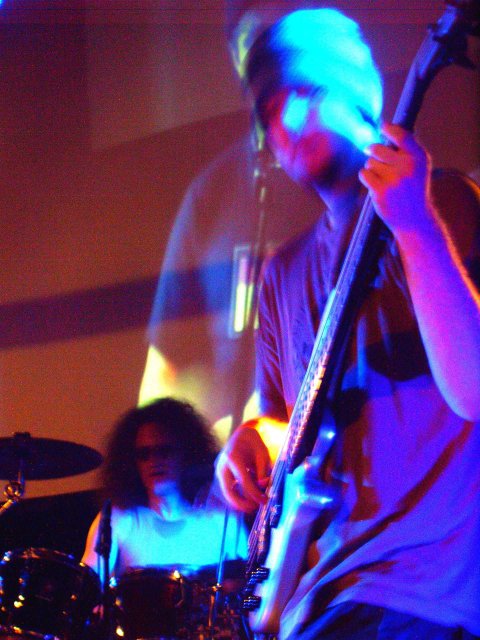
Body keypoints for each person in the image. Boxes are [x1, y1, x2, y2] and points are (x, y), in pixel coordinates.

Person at [215, 6, 480, 640]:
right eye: (270, 109)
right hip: (317, 594)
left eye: (306, 92)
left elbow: (474, 388)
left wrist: (413, 225)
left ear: (358, 92)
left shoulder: (445, 204)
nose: (286, 122)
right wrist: (249, 441)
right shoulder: (281, 273)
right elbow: (282, 421)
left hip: (428, 590)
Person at [138, 6, 321, 441]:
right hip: (251, 464)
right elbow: (166, 375)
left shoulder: (350, 179)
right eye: (256, 43)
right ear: (235, 54)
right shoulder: (211, 192)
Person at [82, 397, 247, 579]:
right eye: (144, 454)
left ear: (186, 453)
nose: (154, 461)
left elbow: (246, 581)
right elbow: (88, 585)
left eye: (164, 451)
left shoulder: (221, 517)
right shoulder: (116, 518)